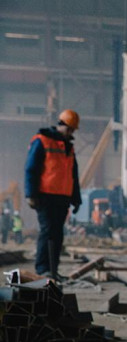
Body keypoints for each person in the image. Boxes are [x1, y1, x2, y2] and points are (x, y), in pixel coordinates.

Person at [24, 109, 82, 278]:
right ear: (60, 125)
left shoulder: (69, 147)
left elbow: (73, 174)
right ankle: (43, 269)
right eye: (69, 129)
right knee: (48, 231)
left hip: (62, 198)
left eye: (72, 130)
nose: (70, 133)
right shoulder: (42, 141)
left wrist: (76, 199)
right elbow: (31, 169)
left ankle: (53, 270)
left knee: (57, 234)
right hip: (45, 196)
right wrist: (30, 194)